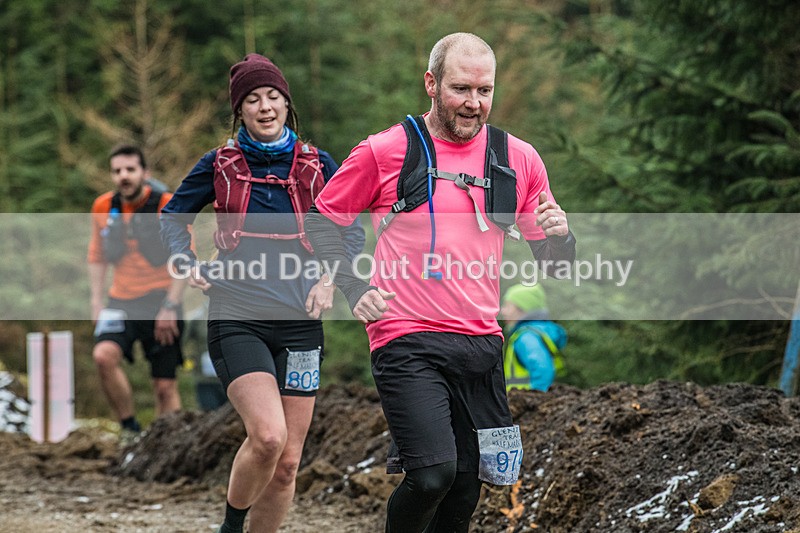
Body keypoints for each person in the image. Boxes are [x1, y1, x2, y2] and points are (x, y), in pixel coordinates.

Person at [305, 32, 576, 532]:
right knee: (432, 475)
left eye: (485, 90)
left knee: (465, 488)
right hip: (405, 336)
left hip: (479, 341)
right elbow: (323, 220)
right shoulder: (385, 150)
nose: (474, 103)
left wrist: (561, 237)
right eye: (460, 89)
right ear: (431, 84)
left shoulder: (518, 158)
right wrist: (353, 286)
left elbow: (554, 265)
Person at [159, 53, 364, 533]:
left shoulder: (317, 164)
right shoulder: (219, 163)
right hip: (238, 313)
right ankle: (232, 527)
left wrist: (329, 278)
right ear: (240, 111)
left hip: (300, 321)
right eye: (253, 100)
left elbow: (350, 228)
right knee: (268, 437)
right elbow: (172, 216)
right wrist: (185, 262)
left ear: (287, 105)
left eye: (273, 97)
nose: (265, 107)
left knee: (289, 461)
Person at [88, 144, 186, 441]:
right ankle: (129, 429)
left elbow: (184, 257)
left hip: (161, 299)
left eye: (130, 169)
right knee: (103, 356)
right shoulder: (103, 207)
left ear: (145, 173)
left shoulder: (167, 205)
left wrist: (170, 305)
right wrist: (95, 300)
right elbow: (97, 256)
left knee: (164, 386)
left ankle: (167, 444)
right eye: (117, 171)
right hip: (120, 301)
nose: (124, 176)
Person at [500, 283, 567, 391]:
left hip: (525, 405)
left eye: (507, 306)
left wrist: (535, 401)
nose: (502, 311)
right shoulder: (536, 333)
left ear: (522, 309)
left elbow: (542, 369)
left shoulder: (526, 337)